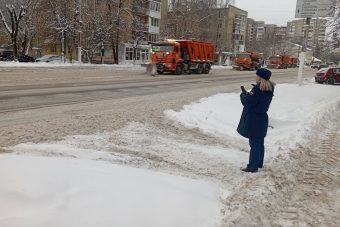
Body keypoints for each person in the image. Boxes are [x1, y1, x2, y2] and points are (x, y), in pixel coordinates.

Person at [237, 68, 276, 173]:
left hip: (254, 119)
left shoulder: (258, 89)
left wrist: (243, 95)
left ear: (260, 77)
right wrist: (250, 95)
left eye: (257, 75)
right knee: (259, 143)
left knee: (254, 144)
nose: (255, 76)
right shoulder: (269, 88)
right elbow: (257, 101)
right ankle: (259, 163)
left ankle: (252, 167)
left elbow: (248, 103)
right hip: (262, 118)